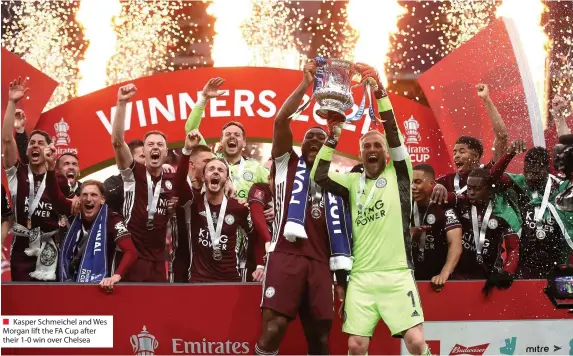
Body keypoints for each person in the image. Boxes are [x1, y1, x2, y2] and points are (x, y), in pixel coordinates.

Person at [311, 63, 429, 356]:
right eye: (367, 147)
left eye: (378, 145)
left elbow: (392, 130)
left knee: (415, 342)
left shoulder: (399, 175)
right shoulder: (352, 181)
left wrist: (380, 92)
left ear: (387, 154)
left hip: (397, 274)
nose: (373, 149)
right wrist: (333, 136)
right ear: (361, 155)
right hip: (362, 277)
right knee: (356, 345)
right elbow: (320, 175)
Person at [254, 60, 353, 356]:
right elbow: (280, 122)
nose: (314, 141)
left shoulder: (337, 181)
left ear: (329, 147)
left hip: (321, 262)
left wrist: (342, 279)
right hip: (287, 255)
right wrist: (304, 85)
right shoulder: (287, 164)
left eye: (321, 138)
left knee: (320, 339)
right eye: (309, 137)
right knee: (273, 330)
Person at [2, 77, 72, 281]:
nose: (35, 146)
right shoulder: (18, 173)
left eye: (41, 143)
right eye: (32, 142)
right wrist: (12, 102)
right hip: (23, 247)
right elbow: (7, 139)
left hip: (49, 245)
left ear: (50, 148)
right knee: (23, 302)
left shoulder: (58, 179)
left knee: (47, 301)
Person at [43, 144, 138, 291]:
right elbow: (55, 197)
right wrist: (50, 168)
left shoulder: (111, 218)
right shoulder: (74, 209)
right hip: (69, 281)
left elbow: (131, 251)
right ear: (79, 198)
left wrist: (116, 276)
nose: (88, 199)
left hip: (100, 285)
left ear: (102, 200)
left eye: (94, 195)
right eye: (84, 195)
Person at [111, 83, 176, 282]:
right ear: (144, 152)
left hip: (159, 257)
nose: (155, 147)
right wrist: (121, 103)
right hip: (132, 253)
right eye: (150, 144)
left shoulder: (173, 179)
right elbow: (117, 142)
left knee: (157, 310)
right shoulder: (133, 173)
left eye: (160, 145)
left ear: (165, 153)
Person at [173, 130, 254, 282]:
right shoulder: (192, 203)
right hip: (199, 280)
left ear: (227, 178)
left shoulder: (239, 208)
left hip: (231, 281)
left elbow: (255, 237)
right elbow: (178, 184)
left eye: (220, 170)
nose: (216, 172)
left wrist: (260, 266)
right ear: (203, 177)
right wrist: (186, 151)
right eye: (211, 169)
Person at [184, 78, 273, 203]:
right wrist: (203, 98)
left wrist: (274, 207)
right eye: (228, 134)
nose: (232, 137)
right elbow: (191, 129)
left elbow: (278, 188)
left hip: (245, 221)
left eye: (237, 135)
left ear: (244, 143)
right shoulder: (210, 160)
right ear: (221, 141)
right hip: (213, 220)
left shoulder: (256, 168)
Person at [494, 146, 572, 278]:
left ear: (546, 168)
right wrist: (509, 154)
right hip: (523, 256)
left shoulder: (560, 186)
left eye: (536, 171)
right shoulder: (517, 182)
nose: (530, 174)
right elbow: (492, 178)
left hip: (556, 256)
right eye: (527, 168)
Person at [451, 168, 520, 291]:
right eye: (469, 188)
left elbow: (513, 248)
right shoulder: (461, 204)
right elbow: (448, 197)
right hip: (459, 279)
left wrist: (507, 272)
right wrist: (437, 188)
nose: (471, 192)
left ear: (488, 190)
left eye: (476, 189)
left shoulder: (502, 213)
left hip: (489, 278)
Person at [435, 84, 509, 195]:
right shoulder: (446, 181)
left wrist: (486, 100)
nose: (456, 156)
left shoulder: (488, 172)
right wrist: (436, 186)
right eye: (454, 152)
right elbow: (426, 186)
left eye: (462, 151)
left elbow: (502, 136)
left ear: (475, 156)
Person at [410, 164, 462, 290]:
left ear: (432, 184)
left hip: (438, 281)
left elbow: (455, 244)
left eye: (418, 182)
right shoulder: (404, 207)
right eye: (410, 182)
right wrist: (408, 234)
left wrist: (444, 273)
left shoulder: (443, 207)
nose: (413, 187)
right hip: (409, 280)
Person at [171, 143, 216, 282]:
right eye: (207, 162)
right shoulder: (182, 190)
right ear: (192, 164)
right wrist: (187, 150)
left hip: (209, 267)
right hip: (181, 263)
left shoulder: (215, 193)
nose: (211, 167)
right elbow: (179, 182)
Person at [247, 181, 273, 282]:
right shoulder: (261, 188)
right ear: (269, 179)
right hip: (257, 257)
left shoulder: (295, 192)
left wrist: (281, 211)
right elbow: (256, 213)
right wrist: (268, 240)